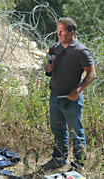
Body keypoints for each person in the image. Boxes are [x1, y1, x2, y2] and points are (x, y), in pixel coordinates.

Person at [42, 17, 96, 171]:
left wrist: (78, 90)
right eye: (57, 30)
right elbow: (51, 67)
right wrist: (48, 68)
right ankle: (58, 159)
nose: (58, 34)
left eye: (61, 31)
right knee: (58, 130)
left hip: (71, 99)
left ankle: (79, 165)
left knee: (76, 132)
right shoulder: (55, 48)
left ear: (71, 32)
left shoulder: (81, 51)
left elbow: (92, 74)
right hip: (55, 96)